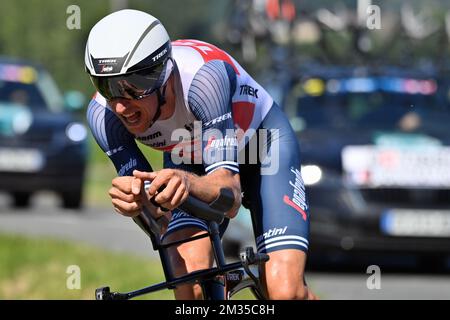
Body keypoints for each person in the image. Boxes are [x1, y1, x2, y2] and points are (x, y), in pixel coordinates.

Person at [84, 9, 317, 300]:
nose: (120, 106)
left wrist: (186, 183)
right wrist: (139, 205)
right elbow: (160, 221)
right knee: (189, 280)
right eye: (107, 87)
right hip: (189, 154)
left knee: (285, 291)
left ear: (161, 74)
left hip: (262, 146)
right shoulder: (102, 116)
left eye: (132, 88)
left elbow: (228, 198)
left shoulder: (203, 80)